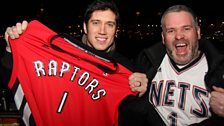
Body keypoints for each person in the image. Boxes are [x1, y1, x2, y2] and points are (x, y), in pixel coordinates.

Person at [1, 0, 165, 126]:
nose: (102, 31)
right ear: (85, 27)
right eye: (96, 23)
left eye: (109, 24)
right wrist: (12, 49)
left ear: (116, 30)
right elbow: (13, 77)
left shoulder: (125, 70)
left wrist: (142, 90)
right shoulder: (60, 52)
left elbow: (135, 116)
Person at [131, 4, 224, 125]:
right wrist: (131, 88)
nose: (179, 36)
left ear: (198, 32)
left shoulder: (219, 69)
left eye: (186, 28)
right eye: (171, 30)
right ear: (163, 38)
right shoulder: (146, 63)